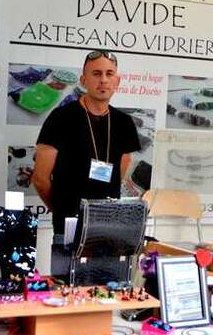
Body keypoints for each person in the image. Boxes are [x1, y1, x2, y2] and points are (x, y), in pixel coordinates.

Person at [33, 50, 141, 245]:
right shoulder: (61, 118)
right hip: (69, 229)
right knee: (65, 268)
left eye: (109, 74)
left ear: (117, 81)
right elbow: (40, 179)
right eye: (96, 73)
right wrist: (61, 209)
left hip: (110, 229)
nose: (103, 80)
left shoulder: (124, 122)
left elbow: (122, 168)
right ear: (83, 80)